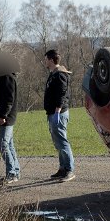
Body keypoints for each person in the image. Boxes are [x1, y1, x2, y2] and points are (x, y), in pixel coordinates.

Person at [43, 49, 75, 181]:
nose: (45, 61)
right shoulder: (53, 74)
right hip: (52, 113)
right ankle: (62, 169)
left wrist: (57, 111)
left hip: (59, 114)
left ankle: (69, 170)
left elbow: (62, 94)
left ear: (51, 60)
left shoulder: (60, 74)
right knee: (58, 143)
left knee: (62, 142)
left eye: (46, 59)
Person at [0, 71, 20, 184]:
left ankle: (11, 173)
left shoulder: (7, 78)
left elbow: (8, 99)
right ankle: (15, 172)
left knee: (3, 145)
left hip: (6, 117)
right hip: (4, 116)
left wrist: (3, 115)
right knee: (9, 145)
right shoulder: (1, 77)